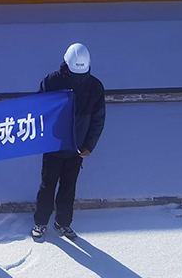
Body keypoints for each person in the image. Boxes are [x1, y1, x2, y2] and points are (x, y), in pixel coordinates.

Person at [31, 43, 106, 242]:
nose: (78, 79)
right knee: (47, 185)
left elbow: (98, 119)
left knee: (68, 187)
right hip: (53, 146)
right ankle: (41, 222)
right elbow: (37, 109)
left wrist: (89, 145)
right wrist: (41, 138)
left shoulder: (94, 87)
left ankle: (63, 223)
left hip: (76, 148)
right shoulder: (51, 81)